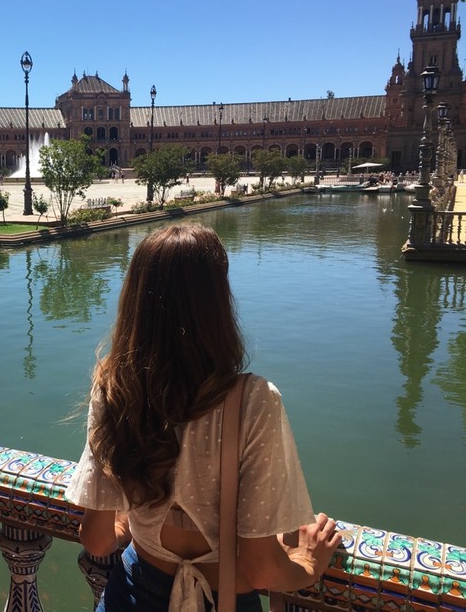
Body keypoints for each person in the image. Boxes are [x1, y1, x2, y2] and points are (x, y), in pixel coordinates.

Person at [65, 225, 340, 612]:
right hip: (224, 598)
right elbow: (261, 569)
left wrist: (142, 516)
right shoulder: (253, 401)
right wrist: (309, 563)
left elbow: (96, 539)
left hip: (130, 594)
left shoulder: (114, 389)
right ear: (216, 303)